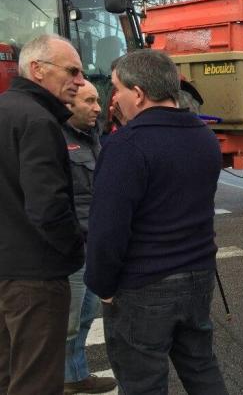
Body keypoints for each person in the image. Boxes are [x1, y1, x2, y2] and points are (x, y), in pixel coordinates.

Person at [85, 49, 228, 394]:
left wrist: (103, 286)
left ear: (138, 93)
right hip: (197, 275)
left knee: (142, 381)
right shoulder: (205, 138)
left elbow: (107, 230)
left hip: (143, 285)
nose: (114, 98)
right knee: (201, 367)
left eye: (117, 88)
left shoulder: (126, 146)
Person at [0, 34, 85, 395]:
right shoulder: (39, 121)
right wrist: (74, 251)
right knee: (36, 381)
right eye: (72, 71)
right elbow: (48, 205)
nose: (80, 81)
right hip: (35, 278)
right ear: (37, 70)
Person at [62, 81, 118, 394]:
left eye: (99, 100)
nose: (98, 107)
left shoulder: (94, 137)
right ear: (69, 104)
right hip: (72, 247)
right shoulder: (54, 137)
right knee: (66, 322)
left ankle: (75, 375)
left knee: (83, 317)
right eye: (90, 100)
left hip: (93, 244)